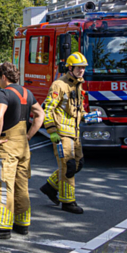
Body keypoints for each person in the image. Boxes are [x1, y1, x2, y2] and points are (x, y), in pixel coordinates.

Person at [0, 62, 44, 240]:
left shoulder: (4, 93)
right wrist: (29, 135)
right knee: (21, 186)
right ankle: (22, 224)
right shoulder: (27, 92)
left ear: (4, 77)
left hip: (6, 146)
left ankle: (1, 227)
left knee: (3, 185)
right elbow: (40, 115)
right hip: (23, 146)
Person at [41, 52, 89, 214]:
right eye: (79, 68)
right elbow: (47, 110)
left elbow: (77, 108)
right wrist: (52, 131)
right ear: (70, 68)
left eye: (83, 68)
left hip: (74, 133)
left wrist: (86, 117)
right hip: (61, 133)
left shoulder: (78, 84)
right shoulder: (59, 85)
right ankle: (68, 202)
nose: (81, 71)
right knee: (68, 166)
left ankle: (50, 186)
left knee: (78, 164)